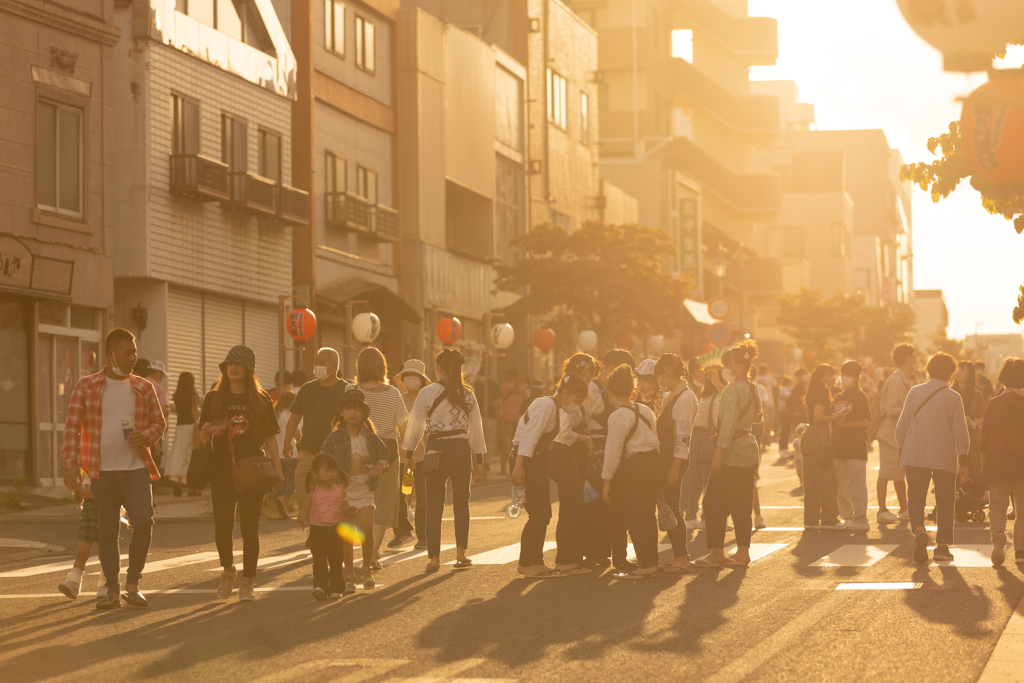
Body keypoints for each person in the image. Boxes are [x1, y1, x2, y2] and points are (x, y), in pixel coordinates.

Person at [62, 328, 166, 609]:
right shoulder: (86, 385)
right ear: (111, 355)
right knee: (107, 532)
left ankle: (133, 584)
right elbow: (72, 427)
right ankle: (112, 590)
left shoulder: (143, 387)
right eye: (128, 352)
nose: (134, 357)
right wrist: (71, 464)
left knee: (143, 521)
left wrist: (145, 436)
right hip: (101, 471)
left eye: (134, 351)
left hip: (136, 470)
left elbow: (159, 423)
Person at [197, 346, 284, 602]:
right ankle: (228, 571)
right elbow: (202, 435)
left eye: (238, 364)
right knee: (222, 527)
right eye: (228, 364)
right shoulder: (213, 398)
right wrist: (206, 434)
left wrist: (278, 471)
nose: (232, 368)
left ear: (249, 369)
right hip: (222, 470)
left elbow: (270, 437)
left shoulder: (261, 399)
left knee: (249, 528)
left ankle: (247, 583)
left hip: (253, 470)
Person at [403, 349, 486, 573]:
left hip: (435, 451)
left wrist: (409, 456)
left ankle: (434, 559)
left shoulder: (427, 392)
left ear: (439, 368)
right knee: (461, 504)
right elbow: (476, 430)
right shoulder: (468, 393)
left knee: (434, 506)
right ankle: (461, 554)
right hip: (460, 450)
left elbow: (415, 425)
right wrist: (479, 460)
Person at [511, 375, 591, 577]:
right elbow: (529, 436)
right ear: (565, 393)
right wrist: (519, 465)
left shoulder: (551, 407)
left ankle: (535, 562)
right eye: (577, 399)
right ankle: (527, 563)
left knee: (543, 513)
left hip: (534, 462)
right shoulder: (547, 405)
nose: (577, 405)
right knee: (539, 513)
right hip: (526, 461)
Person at [897, 352, 969, 563]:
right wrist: (963, 460)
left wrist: (902, 450)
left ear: (928, 370)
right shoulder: (953, 397)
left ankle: (919, 530)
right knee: (946, 501)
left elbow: (902, 425)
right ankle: (942, 547)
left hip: (915, 453)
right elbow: (960, 432)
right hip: (944, 456)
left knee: (916, 498)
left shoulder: (915, 392)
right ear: (951, 374)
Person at [696, 342, 763, 566]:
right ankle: (742, 552)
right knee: (742, 503)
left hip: (731, 453)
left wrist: (718, 453)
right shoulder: (753, 388)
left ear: (739, 364)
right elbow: (756, 417)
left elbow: (727, 425)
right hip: (749, 451)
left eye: (729, 364)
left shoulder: (734, 390)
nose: (726, 367)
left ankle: (717, 553)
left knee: (713, 502)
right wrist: (718, 384)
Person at [320, 386, 390, 589]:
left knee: (366, 531)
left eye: (358, 409)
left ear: (364, 413)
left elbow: (384, 453)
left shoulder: (369, 435)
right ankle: (349, 575)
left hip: (366, 487)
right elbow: (323, 459)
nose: (353, 412)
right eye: (349, 408)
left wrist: (380, 467)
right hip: (344, 490)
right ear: (341, 412)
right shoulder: (334, 437)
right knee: (348, 534)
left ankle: (366, 569)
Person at [601, 364, 666, 577]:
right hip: (656, 463)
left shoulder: (617, 416)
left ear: (610, 393)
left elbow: (613, 452)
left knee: (633, 516)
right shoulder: (645, 410)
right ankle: (653, 559)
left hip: (637, 467)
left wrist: (607, 482)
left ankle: (646, 564)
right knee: (648, 514)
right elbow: (655, 441)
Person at [355, 347, 409, 567]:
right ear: (382, 367)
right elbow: (403, 424)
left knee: (362, 502)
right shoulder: (392, 393)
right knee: (384, 504)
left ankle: (369, 552)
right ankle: (372, 553)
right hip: (387, 451)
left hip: (357, 451)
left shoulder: (351, 390)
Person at [586, 349, 636, 571]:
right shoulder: (593, 389)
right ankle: (593, 551)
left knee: (609, 502)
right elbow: (581, 420)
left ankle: (603, 551)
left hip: (612, 447)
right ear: (612, 368)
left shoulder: (611, 389)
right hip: (594, 450)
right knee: (596, 502)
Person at [549, 353, 598, 572]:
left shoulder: (570, 393)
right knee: (571, 507)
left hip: (571, 456)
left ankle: (573, 556)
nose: (589, 380)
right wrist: (587, 438)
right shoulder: (568, 398)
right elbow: (564, 433)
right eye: (588, 375)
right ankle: (566, 559)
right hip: (567, 455)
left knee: (574, 506)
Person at [284, 348, 349, 511]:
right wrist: (287, 443)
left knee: (335, 498)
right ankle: (316, 528)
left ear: (333, 367)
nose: (317, 366)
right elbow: (294, 418)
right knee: (302, 493)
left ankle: (329, 531)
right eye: (316, 362)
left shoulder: (346, 390)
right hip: (308, 452)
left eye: (322, 362)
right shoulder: (307, 389)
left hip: (336, 455)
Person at [654, 353, 698, 573]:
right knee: (667, 507)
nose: (658, 380)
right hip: (666, 458)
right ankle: (678, 555)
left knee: (671, 507)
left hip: (674, 459)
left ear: (666, 373)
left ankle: (681, 557)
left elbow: (683, 435)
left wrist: (675, 465)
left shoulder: (685, 397)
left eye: (659, 375)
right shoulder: (673, 394)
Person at [980, 358, 1024, 566]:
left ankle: (998, 534)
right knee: (1023, 510)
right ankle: (1021, 552)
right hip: (1022, 463)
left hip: (997, 463)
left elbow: (984, 439)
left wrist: (984, 466)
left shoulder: (994, 404)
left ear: (1003, 379)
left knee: (997, 506)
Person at [297, 453, 350, 599]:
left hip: (335, 530)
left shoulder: (340, 490)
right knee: (319, 560)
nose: (331, 475)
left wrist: (350, 511)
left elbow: (346, 508)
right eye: (326, 471)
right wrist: (301, 517)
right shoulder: (313, 492)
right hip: (317, 531)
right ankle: (320, 587)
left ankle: (336, 588)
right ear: (315, 473)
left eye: (333, 471)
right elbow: (304, 509)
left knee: (336, 560)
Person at [801, 363, 846, 531]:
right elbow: (818, 416)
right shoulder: (822, 393)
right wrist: (834, 417)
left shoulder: (813, 391)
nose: (833, 378)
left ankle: (811, 520)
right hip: (819, 435)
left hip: (809, 435)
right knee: (827, 479)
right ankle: (829, 518)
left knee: (811, 480)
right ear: (821, 377)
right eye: (830, 374)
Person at [875, 343, 916, 522]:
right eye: (914, 355)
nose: (916, 359)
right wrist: (914, 420)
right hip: (890, 435)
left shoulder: (903, 380)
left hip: (897, 436)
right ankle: (882, 511)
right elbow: (893, 409)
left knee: (899, 473)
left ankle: (903, 509)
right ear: (908, 358)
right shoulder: (897, 380)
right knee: (886, 472)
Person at [395, 360, 431, 550]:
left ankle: (423, 537)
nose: (411, 379)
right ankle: (403, 532)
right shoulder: (398, 398)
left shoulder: (428, 399)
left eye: (415, 375)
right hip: (403, 457)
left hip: (423, 457)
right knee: (403, 493)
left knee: (423, 498)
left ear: (422, 379)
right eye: (407, 375)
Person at [832, 361, 871, 531]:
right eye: (843, 374)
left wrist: (846, 425)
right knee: (840, 484)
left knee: (856, 484)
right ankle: (847, 515)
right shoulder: (838, 396)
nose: (844, 378)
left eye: (848, 375)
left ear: (856, 378)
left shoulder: (860, 396)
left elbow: (866, 421)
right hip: (838, 446)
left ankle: (861, 518)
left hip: (856, 446)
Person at [57, 475, 109, 600]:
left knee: (104, 555)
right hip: (87, 519)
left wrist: (93, 496)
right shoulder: (85, 477)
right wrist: (77, 490)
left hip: (104, 518)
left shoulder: (106, 474)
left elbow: (113, 497)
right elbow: (78, 501)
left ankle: (105, 585)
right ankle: (73, 583)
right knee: (82, 553)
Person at [163, 371, 201, 498]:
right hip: (191, 428)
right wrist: (202, 411)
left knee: (179, 454)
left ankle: (178, 483)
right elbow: (194, 415)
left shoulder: (177, 395)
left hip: (180, 428)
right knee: (190, 455)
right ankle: (192, 488)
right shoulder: (193, 395)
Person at [952, 361, 986, 484]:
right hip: (952, 437)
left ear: (970, 373)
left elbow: (985, 417)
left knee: (973, 469)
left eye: (962, 369)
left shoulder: (977, 395)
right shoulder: (949, 392)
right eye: (957, 369)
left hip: (972, 438)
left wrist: (974, 422)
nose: (958, 372)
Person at [274, 390, 300, 519]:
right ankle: (283, 498)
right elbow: (297, 434)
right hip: (290, 452)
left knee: (280, 481)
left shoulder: (276, 413)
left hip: (275, 453)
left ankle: (281, 511)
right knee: (296, 479)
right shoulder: (291, 414)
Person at [777, 376, 793, 458]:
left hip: (784, 412)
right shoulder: (784, 389)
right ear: (787, 383)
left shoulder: (783, 389)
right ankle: (783, 450)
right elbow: (789, 398)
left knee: (786, 432)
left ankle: (784, 449)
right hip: (785, 413)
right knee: (785, 432)